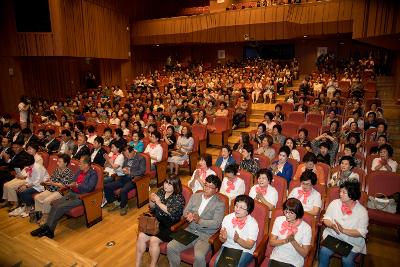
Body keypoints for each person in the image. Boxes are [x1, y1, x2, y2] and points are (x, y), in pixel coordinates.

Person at [30, 155, 98, 238]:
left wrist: (77, 185)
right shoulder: (79, 171)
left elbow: (89, 188)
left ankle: (49, 230)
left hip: (81, 197)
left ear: (86, 164)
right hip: (71, 193)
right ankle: (47, 228)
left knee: (60, 207)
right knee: (55, 204)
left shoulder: (93, 174)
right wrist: (71, 184)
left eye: (80, 163)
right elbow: (73, 180)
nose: (78, 164)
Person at [167, 175, 225, 267]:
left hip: (205, 235)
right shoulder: (195, 196)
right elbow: (185, 211)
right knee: (171, 246)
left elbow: (216, 224)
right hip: (190, 230)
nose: (206, 188)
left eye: (210, 187)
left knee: (199, 256)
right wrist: (188, 215)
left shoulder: (219, 204)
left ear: (216, 190)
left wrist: (199, 221)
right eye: (205, 185)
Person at [135, 175, 185, 267]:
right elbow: (152, 208)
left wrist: (158, 202)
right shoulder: (161, 191)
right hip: (157, 222)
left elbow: (171, 212)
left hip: (171, 226)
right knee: (141, 236)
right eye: (166, 182)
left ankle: (153, 264)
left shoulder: (179, 197)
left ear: (175, 186)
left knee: (154, 240)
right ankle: (137, 264)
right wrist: (151, 200)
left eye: (170, 184)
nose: (166, 185)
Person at [319, 181, 368, 267]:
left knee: (347, 260)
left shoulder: (362, 211)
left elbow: (361, 232)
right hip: (334, 237)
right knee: (323, 252)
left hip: (352, 242)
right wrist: (331, 225)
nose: (340, 194)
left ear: (352, 194)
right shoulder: (335, 203)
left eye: (344, 192)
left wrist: (343, 230)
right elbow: (326, 218)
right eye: (340, 191)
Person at [215, 195, 259, 267]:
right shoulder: (227, 218)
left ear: (248, 211)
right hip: (228, 246)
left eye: (241, 207)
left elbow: (250, 245)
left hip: (245, 250)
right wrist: (223, 238)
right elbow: (222, 240)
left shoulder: (253, 223)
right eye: (236, 206)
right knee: (218, 264)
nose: (237, 209)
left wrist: (238, 240)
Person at [269, 198, 312, 267]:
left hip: (294, 262)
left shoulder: (306, 228)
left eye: (291, 213)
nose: (287, 215)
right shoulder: (279, 220)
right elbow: (271, 242)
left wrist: (293, 241)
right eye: (286, 211)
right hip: (277, 257)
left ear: (298, 213)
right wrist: (285, 240)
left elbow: (304, 253)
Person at [104, 146, 146, 215]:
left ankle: (123, 206)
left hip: (134, 179)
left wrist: (130, 172)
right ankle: (113, 202)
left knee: (123, 190)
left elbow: (142, 171)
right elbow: (123, 166)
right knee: (107, 186)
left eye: (127, 154)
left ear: (132, 152)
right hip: (124, 177)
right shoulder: (126, 157)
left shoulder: (141, 158)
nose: (126, 156)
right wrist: (124, 169)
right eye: (125, 155)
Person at [34, 154, 74, 224]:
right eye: (58, 161)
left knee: (47, 200)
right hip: (51, 189)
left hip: (60, 191)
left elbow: (63, 185)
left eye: (60, 162)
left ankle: (46, 216)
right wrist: (47, 181)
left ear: (66, 163)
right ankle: (41, 214)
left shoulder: (69, 172)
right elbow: (52, 178)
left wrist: (52, 183)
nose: (57, 163)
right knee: (37, 197)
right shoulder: (57, 169)